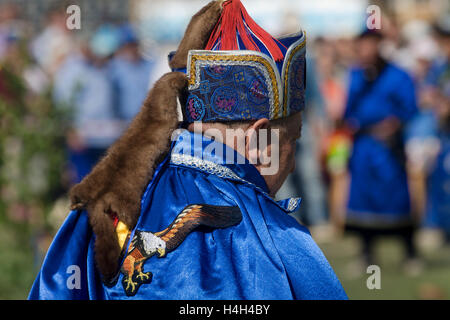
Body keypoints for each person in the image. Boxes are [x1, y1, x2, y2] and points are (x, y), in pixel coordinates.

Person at [29, 0, 347, 300]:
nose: (291, 165)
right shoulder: (273, 235)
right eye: (294, 138)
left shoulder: (105, 210)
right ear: (260, 138)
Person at [343, 30, 419, 268]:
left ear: (379, 46)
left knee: (397, 198)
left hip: (388, 149)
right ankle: (366, 254)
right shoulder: (356, 75)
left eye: (370, 46)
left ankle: (410, 253)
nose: (365, 51)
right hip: (363, 146)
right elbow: (348, 111)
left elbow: (409, 107)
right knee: (362, 199)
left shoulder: (398, 75)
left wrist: (394, 124)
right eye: (361, 46)